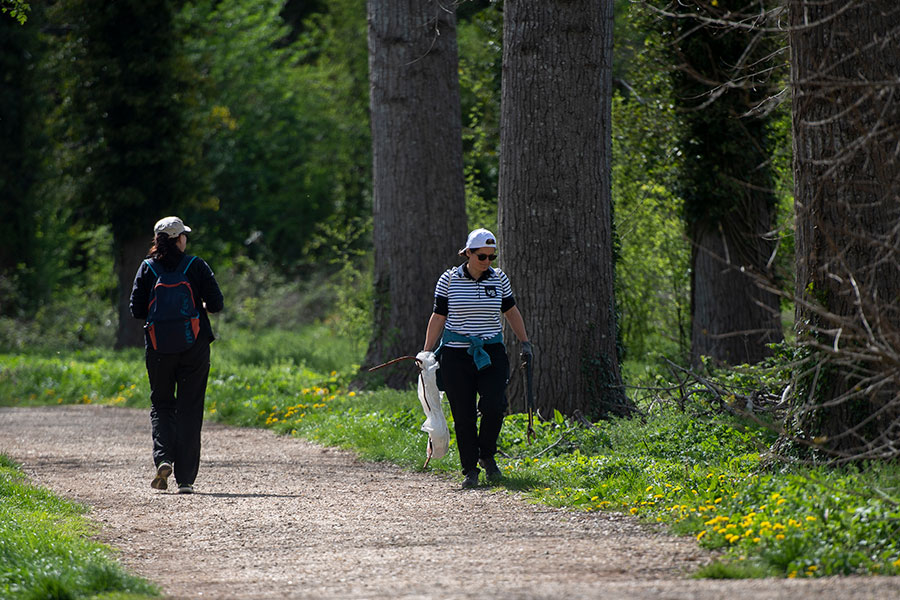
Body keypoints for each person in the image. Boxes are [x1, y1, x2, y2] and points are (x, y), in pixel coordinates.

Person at [423, 228, 532, 488]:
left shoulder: (499, 279)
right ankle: (470, 468)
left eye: (491, 257)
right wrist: (426, 353)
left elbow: (511, 311)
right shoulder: (449, 280)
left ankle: (487, 456)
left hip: (491, 352)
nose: (487, 262)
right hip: (456, 355)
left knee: (495, 405)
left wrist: (525, 342)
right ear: (468, 253)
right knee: (463, 414)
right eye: (482, 256)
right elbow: (439, 316)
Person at [129, 216, 224, 494]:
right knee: (190, 408)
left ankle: (163, 458)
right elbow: (216, 304)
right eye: (184, 235)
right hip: (194, 345)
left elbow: (136, 310)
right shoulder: (196, 266)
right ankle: (185, 480)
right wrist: (198, 305)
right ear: (178, 239)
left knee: (161, 404)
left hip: (158, 348)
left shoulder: (146, 268)